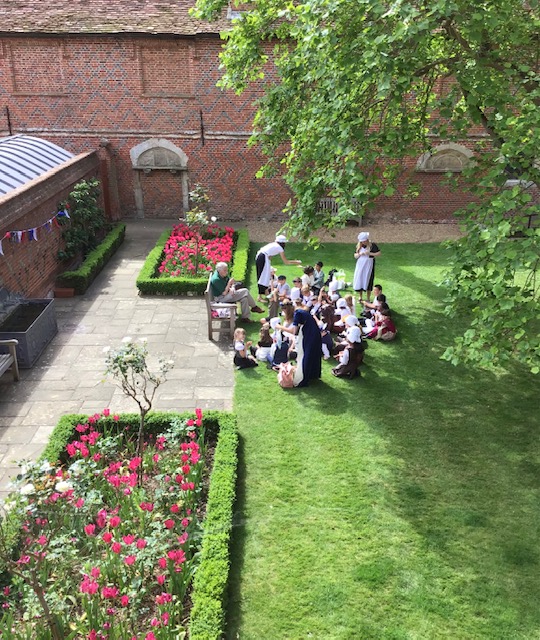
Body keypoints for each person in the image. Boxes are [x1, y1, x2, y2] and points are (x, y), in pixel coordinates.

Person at [276, 305, 322, 387]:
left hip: (309, 336)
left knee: (305, 356)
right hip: (315, 335)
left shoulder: (298, 314)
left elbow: (294, 331)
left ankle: (303, 378)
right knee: (313, 355)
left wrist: (280, 327)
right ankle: (312, 374)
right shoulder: (303, 313)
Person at [255, 234, 302, 301]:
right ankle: (260, 296)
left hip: (262, 257)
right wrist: (296, 262)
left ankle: (265, 293)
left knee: (264, 277)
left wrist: (268, 262)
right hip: (263, 258)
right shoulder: (279, 248)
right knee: (263, 277)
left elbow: (270, 255)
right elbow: (286, 261)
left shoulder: (274, 245)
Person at [353, 232, 381, 303]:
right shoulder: (359, 246)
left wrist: (370, 253)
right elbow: (355, 255)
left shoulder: (372, 245)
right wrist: (359, 254)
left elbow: (378, 253)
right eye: (362, 242)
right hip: (360, 265)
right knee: (360, 278)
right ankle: (360, 296)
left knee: (369, 279)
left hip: (369, 265)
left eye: (365, 241)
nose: (364, 243)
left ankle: (368, 298)